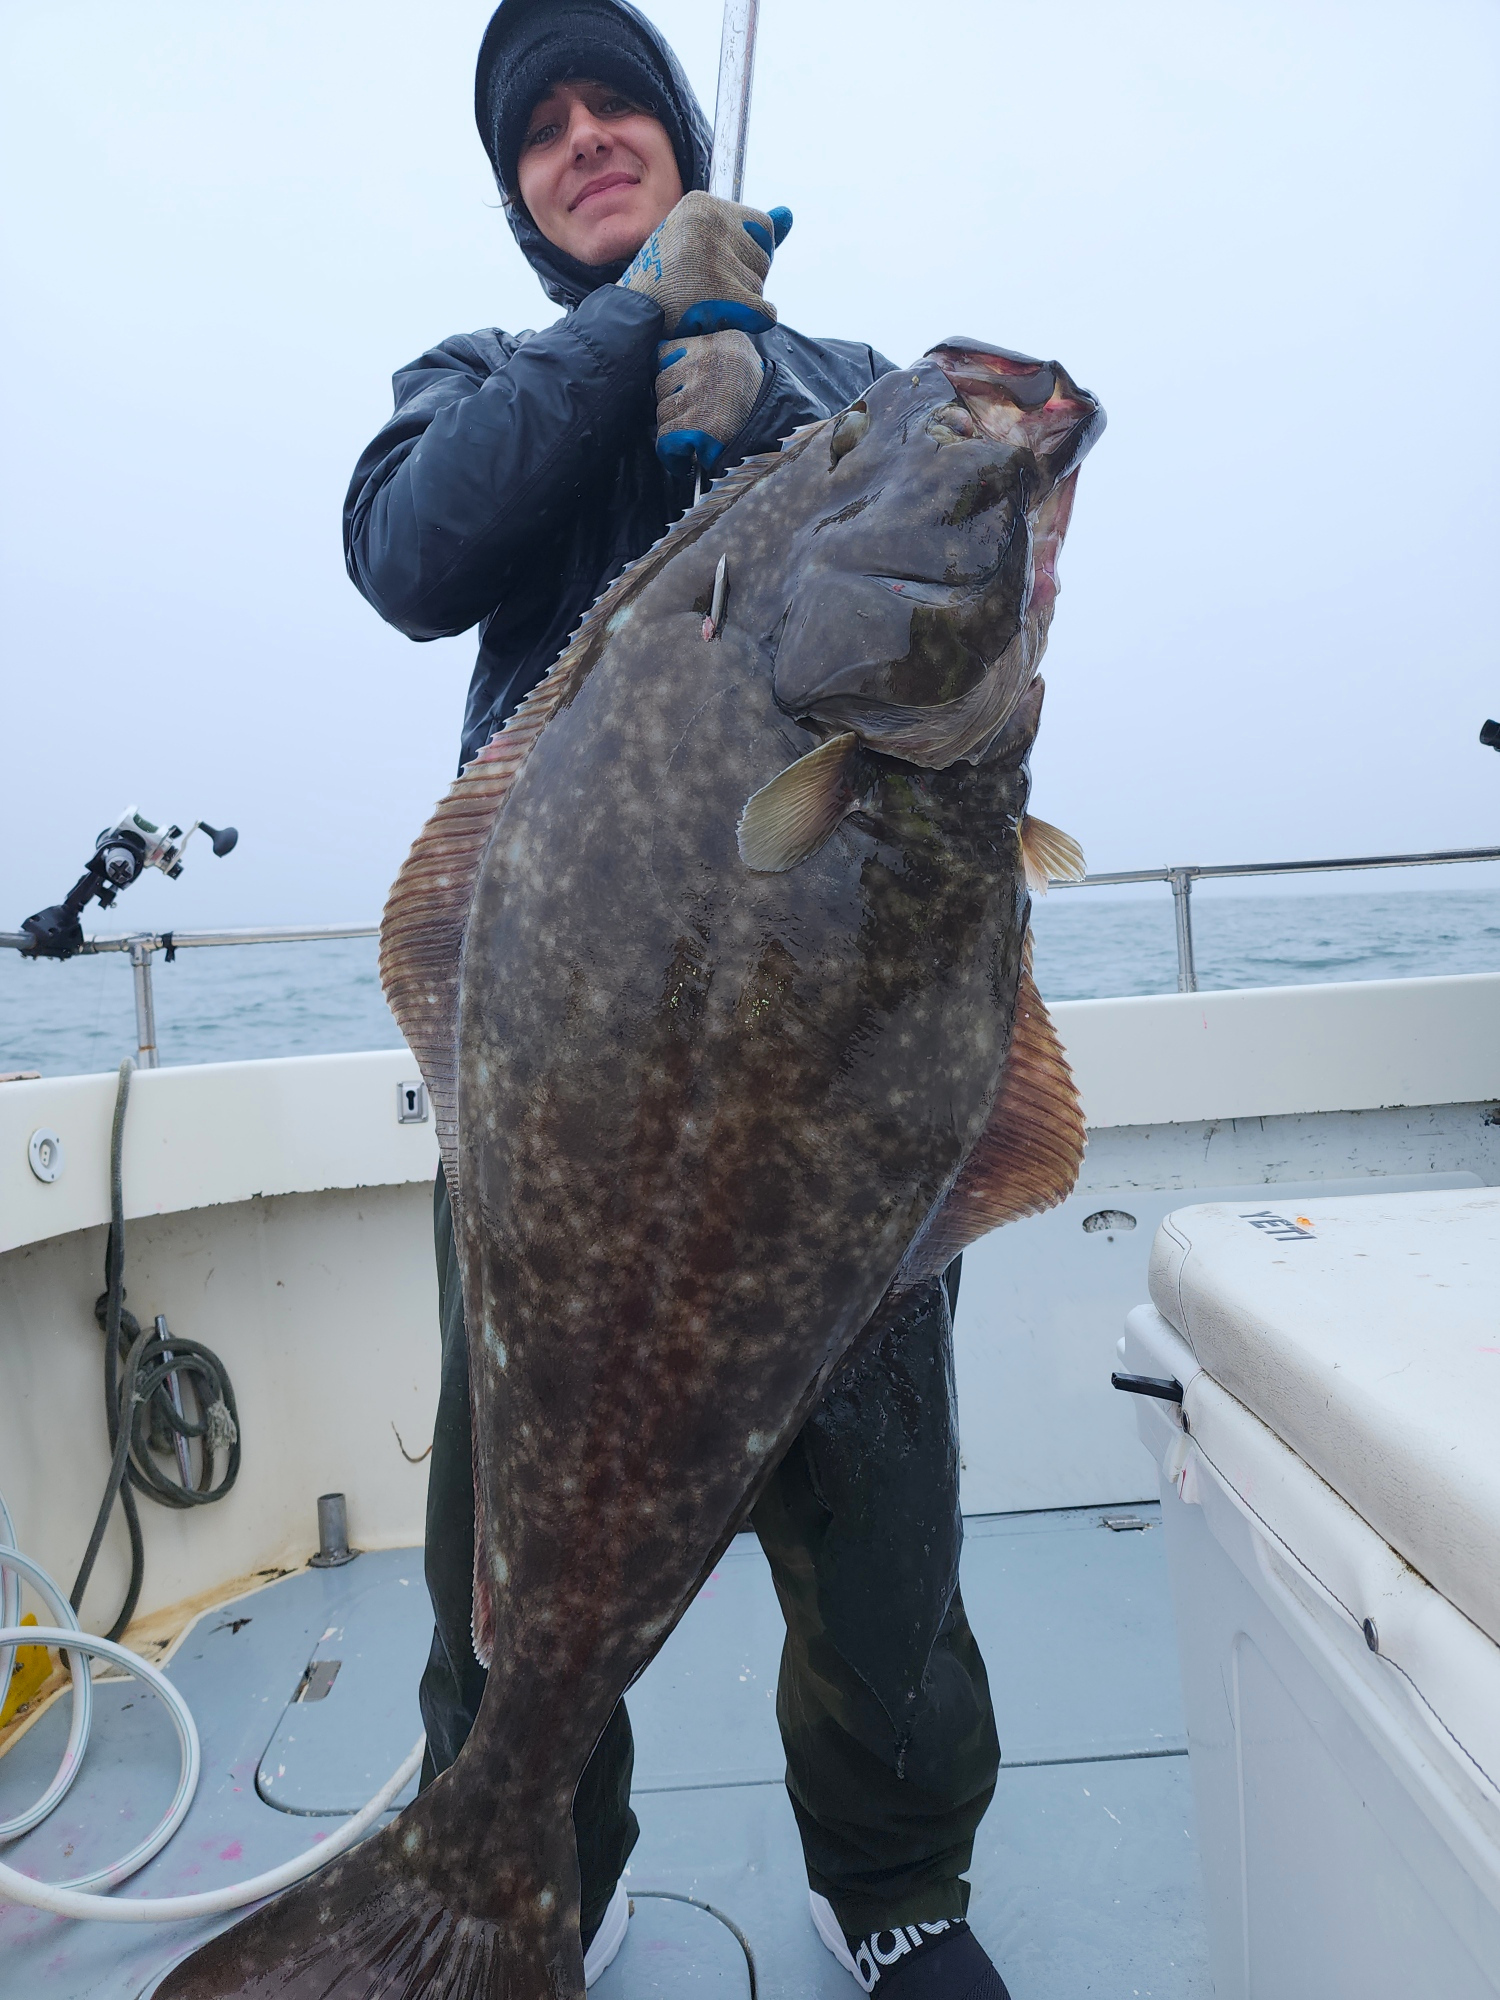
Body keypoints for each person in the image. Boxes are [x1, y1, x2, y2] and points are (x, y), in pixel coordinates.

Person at [343, 5, 1008, 1997]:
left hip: (838, 1047)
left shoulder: (848, 383)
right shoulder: (481, 377)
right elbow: (412, 548)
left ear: (680, 125)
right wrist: (631, 319)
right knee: (521, 1511)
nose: (576, 138)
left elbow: (959, 509)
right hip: (566, 1063)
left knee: (881, 1520)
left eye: (608, 101)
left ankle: (896, 1880)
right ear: (522, 197)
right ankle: (525, 1856)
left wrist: (783, 383)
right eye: (535, 131)